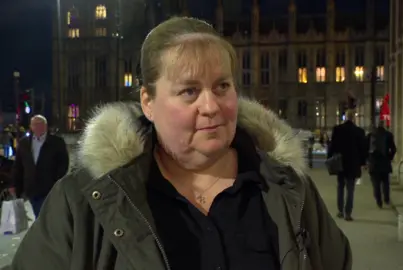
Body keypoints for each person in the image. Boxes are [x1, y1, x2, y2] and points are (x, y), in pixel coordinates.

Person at [12, 17, 351, 270]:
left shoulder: (290, 191)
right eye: (189, 91)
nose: (211, 105)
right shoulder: (84, 202)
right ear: (148, 102)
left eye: (222, 86)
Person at [10, 115, 69, 218]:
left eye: (39, 124)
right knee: (40, 216)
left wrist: (56, 180)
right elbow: (18, 166)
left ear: (45, 126)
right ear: (31, 127)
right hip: (31, 187)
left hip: (49, 188)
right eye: (34, 125)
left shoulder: (56, 142)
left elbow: (63, 163)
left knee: (45, 216)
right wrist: (14, 185)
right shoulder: (24, 143)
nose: (37, 127)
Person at [328, 110, 366, 221]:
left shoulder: (338, 129)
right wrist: (363, 162)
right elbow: (363, 149)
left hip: (340, 162)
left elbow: (332, 146)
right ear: (353, 117)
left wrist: (329, 158)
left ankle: (340, 210)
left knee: (340, 187)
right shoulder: (359, 131)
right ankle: (348, 213)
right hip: (353, 164)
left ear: (345, 117)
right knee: (350, 189)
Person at [366, 120, 397, 208]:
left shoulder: (370, 136)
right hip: (384, 162)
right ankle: (386, 198)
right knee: (385, 182)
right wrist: (389, 158)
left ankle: (379, 200)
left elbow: (365, 149)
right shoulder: (388, 135)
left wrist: (367, 160)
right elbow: (393, 149)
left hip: (374, 163)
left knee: (376, 183)